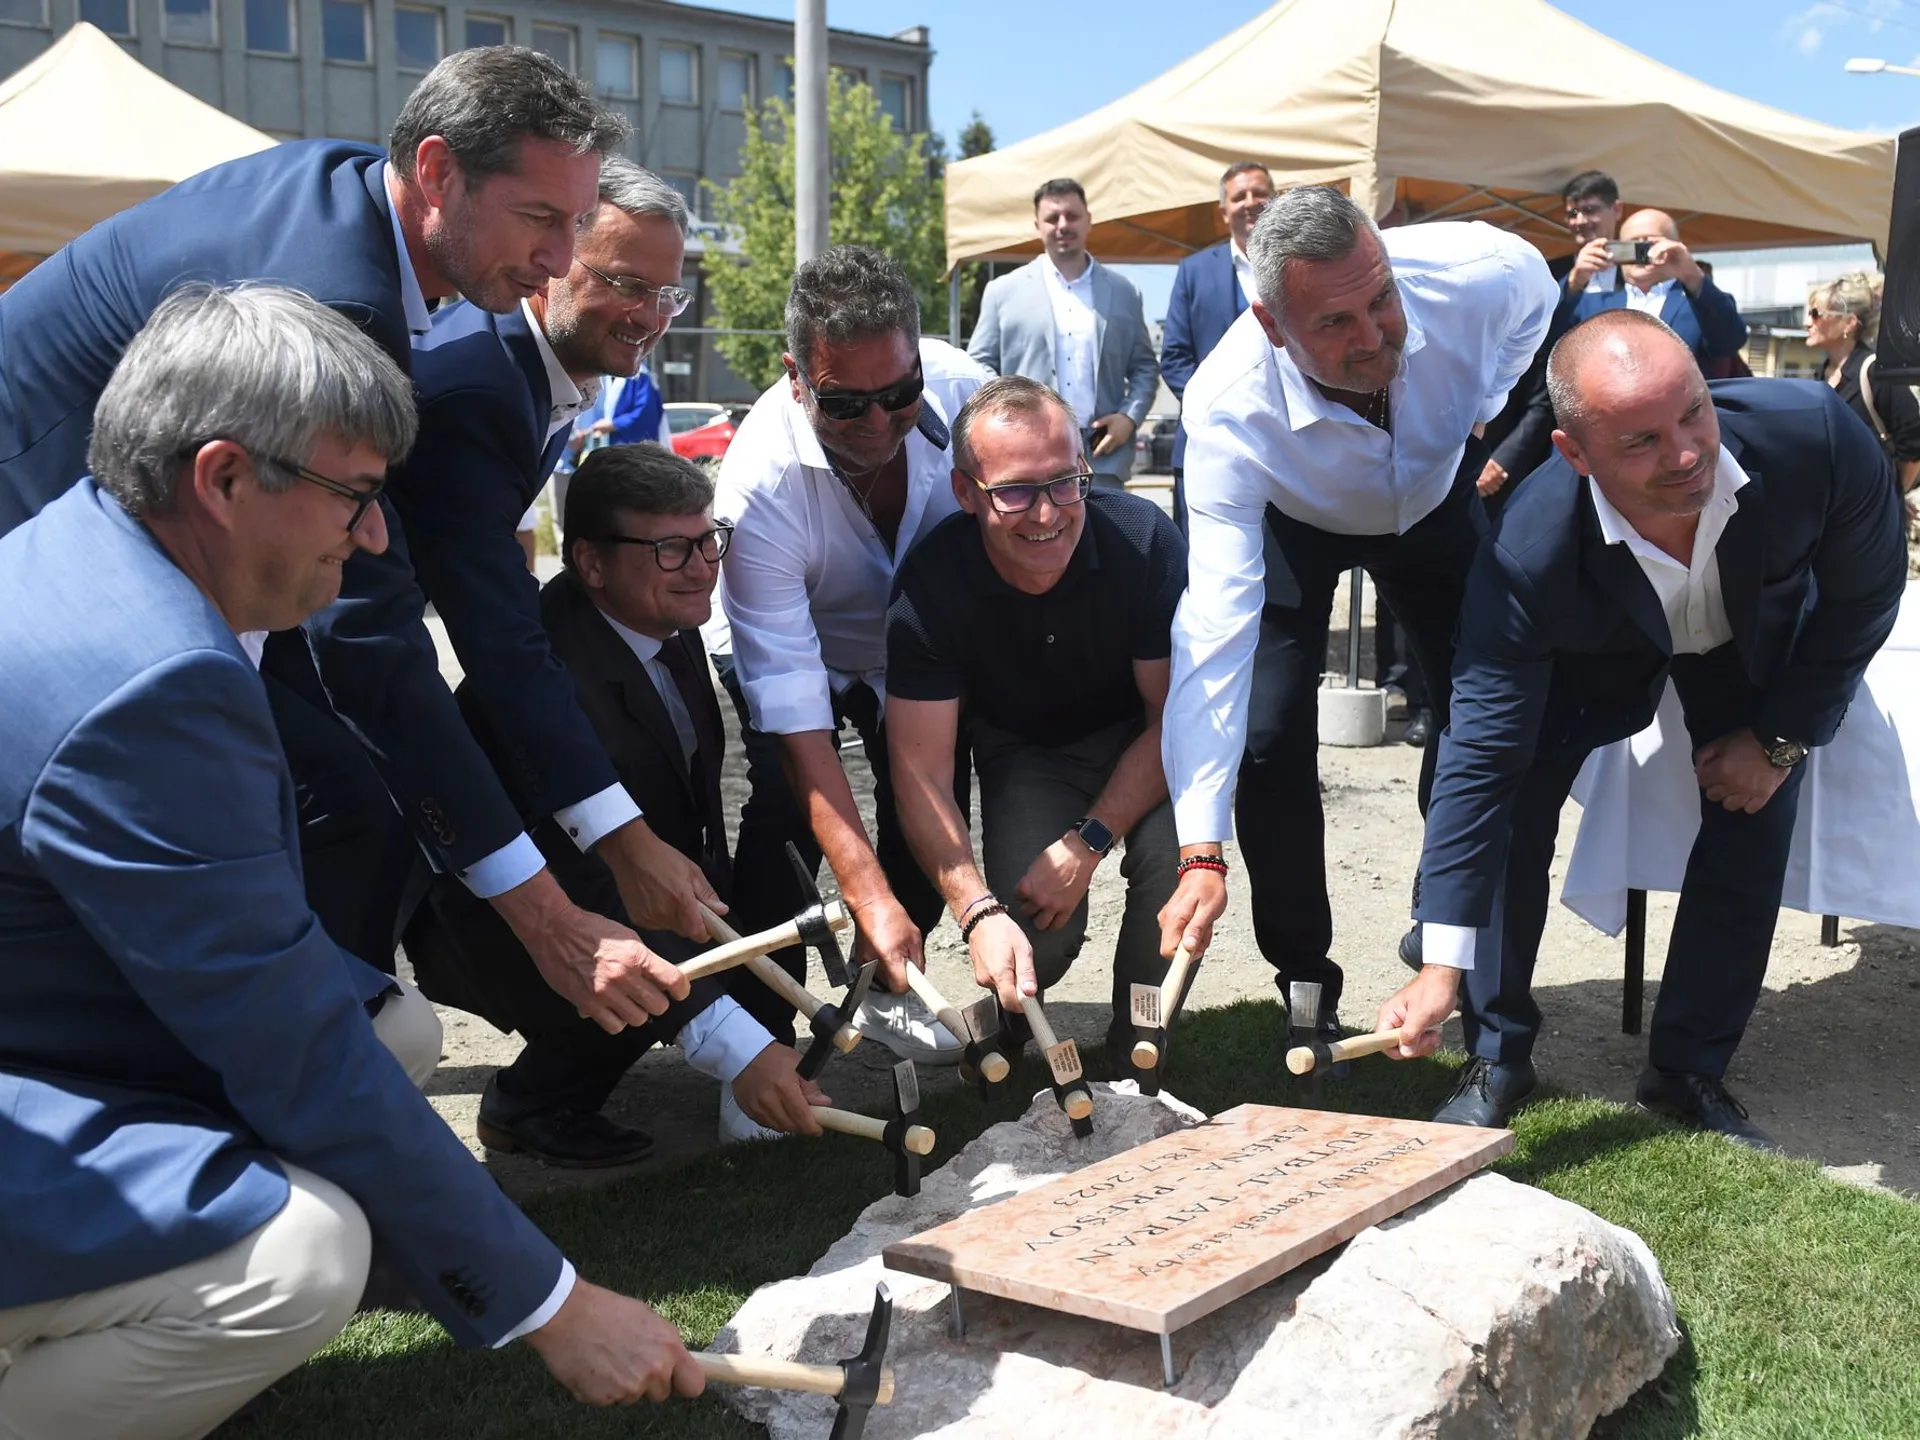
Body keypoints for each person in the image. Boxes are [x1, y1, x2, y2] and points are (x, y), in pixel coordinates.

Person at [0, 286, 705, 1440]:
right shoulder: (155, 687)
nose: (377, 540)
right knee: (304, 1258)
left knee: (398, 1028)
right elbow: (290, 1051)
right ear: (224, 479)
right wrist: (552, 1304)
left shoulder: (96, 544)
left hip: (44, 1013)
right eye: (357, 499)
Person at [0, 46, 665, 1043]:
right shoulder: (339, 305)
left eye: (575, 223)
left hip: (106, 542)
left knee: (341, 789)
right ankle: (288, 1068)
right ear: (437, 170)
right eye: (540, 218)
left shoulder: (356, 199)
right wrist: (549, 916)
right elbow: (369, 642)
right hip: (41, 549)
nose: (560, 261)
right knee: (340, 797)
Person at [1380, 310, 1906, 1147]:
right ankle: (1496, 1050)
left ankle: (1687, 1071)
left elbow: (1865, 597)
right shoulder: (1527, 554)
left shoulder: (1819, 439)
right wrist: (1442, 960)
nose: (1689, 454)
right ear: (1573, 454)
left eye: (1694, 412)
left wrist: (1778, 741)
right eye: (1640, 443)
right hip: (1595, 657)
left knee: (1753, 816)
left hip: (1750, 641)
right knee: (1514, 808)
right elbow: (1476, 762)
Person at [1156, 185, 1556, 1039]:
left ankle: (1448, 929)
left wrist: (1484, 402)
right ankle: (1304, 973)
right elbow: (1214, 634)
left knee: (1485, 709)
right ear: (1273, 326)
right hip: (1294, 521)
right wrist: (1200, 846)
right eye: (1335, 325)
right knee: (1266, 734)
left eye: (1381, 301)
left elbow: (1540, 295)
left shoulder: (1479, 271)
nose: (1374, 337)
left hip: (1435, 500)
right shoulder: (1226, 407)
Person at [404, 444, 829, 1160]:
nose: (702, 568)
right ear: (591, 563)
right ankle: (532, 1104)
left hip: (619, 880)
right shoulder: (551, 679)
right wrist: (727, 1039)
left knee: (755, 870)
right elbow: (588, 884)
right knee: (630, 977)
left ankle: (749, 1045)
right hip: (507, 918)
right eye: (670, 549)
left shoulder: (658, 614)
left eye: (707, 540)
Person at [710, 244, 990, 1059]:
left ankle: (888, 981)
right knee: (780, 810)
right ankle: (761, 1041)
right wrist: (857, 885)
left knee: (931, 794)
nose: (877, 425)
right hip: (797, 644)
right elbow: (797, 710)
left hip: (910, 642)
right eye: (845, 404)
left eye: (900, 395)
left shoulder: (967, 393)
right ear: (796, 378)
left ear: (918, 358)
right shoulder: (757, 485)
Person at [886, 377, 1186, 1069]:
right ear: (966, 492)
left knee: (1171, 860)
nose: (1048, 513)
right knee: (1033, 926)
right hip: (1026, 751)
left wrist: (1086, 845)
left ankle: (1143, 1033)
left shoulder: (1143, 542)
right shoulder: (931, 586)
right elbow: (920, 775)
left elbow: (1173, 721)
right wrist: (975, 913)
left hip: (1140, 738)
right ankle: (1013, 1023)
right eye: (1016, 491)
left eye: (1066, 482)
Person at [967, 178, 1159, 489]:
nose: (1062, 225)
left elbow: (1145, 369)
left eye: (1072, 216)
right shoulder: (1002, 292)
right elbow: (977, 367)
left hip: (1102, 456)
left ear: (1089, 220)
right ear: (1037, 225)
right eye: (1052, 218)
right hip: (1025, 454)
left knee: (1106, 539)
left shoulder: (1125, 292)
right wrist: (1010, 414)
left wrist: (1129, 418)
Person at [1160, 161, 1275, 529]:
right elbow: (1175, 358)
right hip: (1207, 445)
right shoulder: (1193, 271)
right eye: (1239, 196)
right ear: (1223, 211)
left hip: (1286, 452)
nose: (1250, 202)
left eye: (1259, 193)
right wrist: (1217, 408)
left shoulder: (1301, 264)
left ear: (1275, 200)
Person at [1559, 207, 1747, 369]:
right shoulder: (1593, 304)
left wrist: (1692, 275)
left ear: (1676, 247)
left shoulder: (1698, 302)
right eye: (1633, 245)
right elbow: (1546, 337)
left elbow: (1729, 341)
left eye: (1650, 245)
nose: (1643, 253)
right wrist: (1575, 280)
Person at [1805, 271, 1920, 510]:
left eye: (1816, 314)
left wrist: (1893, 497)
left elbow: (1914, 446)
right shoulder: (1820, 375)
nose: (1807, 322)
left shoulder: (1874, 372)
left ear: (1849, 323)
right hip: (1831, 511)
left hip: (1869, 518)